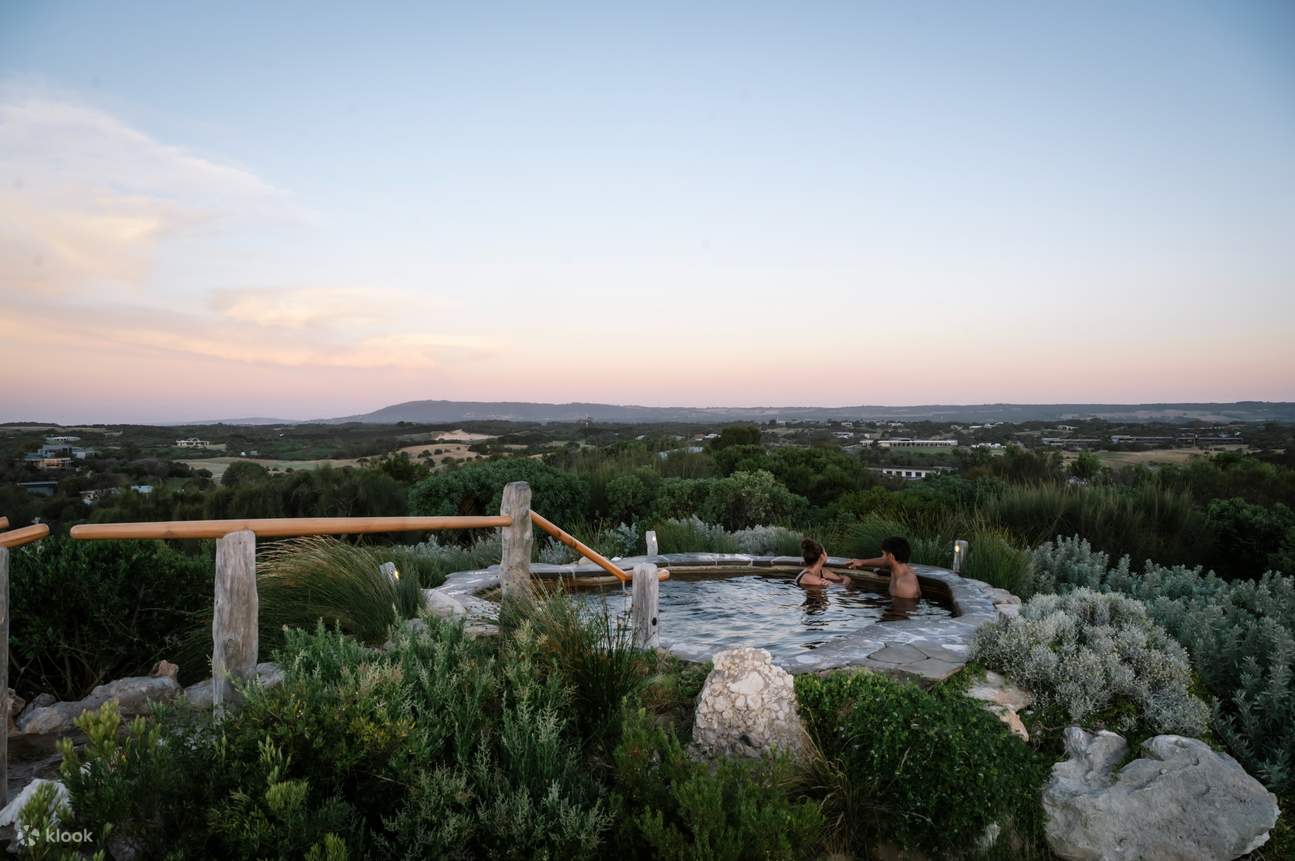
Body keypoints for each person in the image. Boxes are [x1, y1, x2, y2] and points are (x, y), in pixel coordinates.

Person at [846, 536, 920, 599]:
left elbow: (900, 613)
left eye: (883, 554)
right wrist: (862, 562)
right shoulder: (900, 568)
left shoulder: (903, 585)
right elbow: (884, 561)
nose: (881, 558)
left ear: (891, 556)